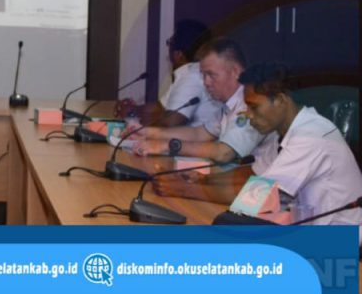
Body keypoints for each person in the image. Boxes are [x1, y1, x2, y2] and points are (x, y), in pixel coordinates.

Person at [154, 64, 362, 231]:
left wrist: (184, 190)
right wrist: (202, 180)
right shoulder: (283, 132)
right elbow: (253, 175)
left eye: (254, 107)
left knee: (227, 225)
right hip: (311, 231)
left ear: (280, 100)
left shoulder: (311, 136)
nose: (248, 115)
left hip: (343, 241)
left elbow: (256, 197)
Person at [129, 37, 277, 167]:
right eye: (203, 75)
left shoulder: (252, 104)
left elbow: (224, 152)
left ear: (235, 72)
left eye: (211, 75)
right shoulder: (228, 104)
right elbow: (198, 134)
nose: (206, 82)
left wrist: (167, 145)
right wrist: (147, 132)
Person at [119, 20, 221, 128]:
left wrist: (133, 122)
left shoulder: (192, 77)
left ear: (178, 54)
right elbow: (159, 108)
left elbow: (170, 123)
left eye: (169, 43)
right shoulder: (190, 73)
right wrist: (133, 110)